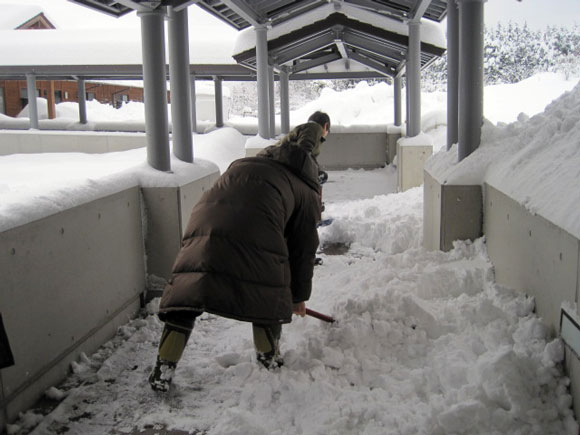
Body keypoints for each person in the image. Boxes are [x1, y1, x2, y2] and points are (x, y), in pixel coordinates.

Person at [148, 111, 331, 392]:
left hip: (204, 223)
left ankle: (164, 368)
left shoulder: (253, 164)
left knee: (188, 290)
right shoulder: (305, 189)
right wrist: (297, 297)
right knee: (268, 291)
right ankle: (269, 359)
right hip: (255, 227)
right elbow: (303, 249)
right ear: (313, 175)